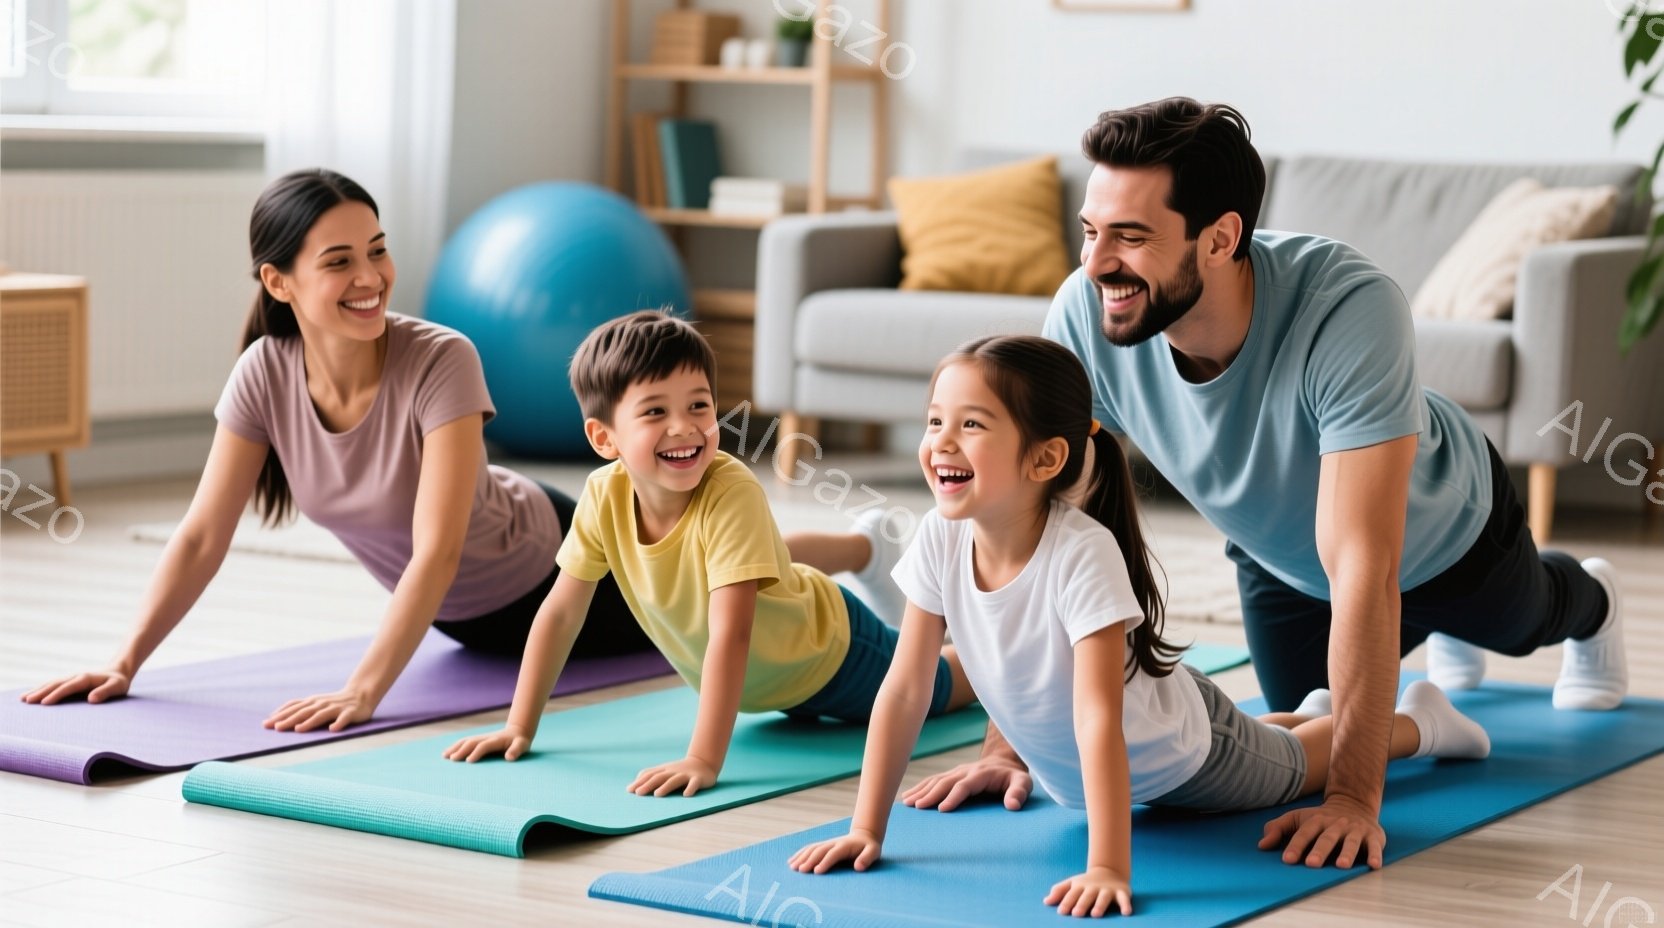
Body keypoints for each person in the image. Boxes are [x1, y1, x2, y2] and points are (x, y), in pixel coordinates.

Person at [916, 97, 1625, 872]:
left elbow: (1365, 564)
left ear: (1220, 238)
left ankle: (1594, 600)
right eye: (1091, 231)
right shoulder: (1089, 315)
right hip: (1278, 557)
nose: (1095, 263)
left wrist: (1356, 799)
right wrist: (1008, 748)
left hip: (1444, 534)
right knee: (1283, 751)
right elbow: (1033, 528)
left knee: (1528, 620)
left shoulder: (1348, 306)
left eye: (1130, 236)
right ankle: (1423, 702)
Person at [788, 335, 1491, 917]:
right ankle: (1310, 713)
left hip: (1183, 762)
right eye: (935, 420)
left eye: (971, 425)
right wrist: (865, 829)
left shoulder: (1079, 553)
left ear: (1045, 458)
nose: (941, 441)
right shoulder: (943, 537)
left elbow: (1101, 717)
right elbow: (906, 689)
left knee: (1299, 767)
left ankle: (1420, 721)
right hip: (1154, 724)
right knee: (1268, 735)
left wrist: (1105, 865)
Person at [21, 168, 659, 730]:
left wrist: (364, 689)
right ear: (278, 281)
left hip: (571, 570)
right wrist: (124, 661)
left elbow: (436, 551)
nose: (369, 277)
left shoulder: (442, 358)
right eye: (338, 261)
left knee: (710, 620)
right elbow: (200, 537)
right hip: (464, 624)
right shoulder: (264, 373)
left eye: (377, 251)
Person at [442, 311, 975, 797]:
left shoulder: (730, 488)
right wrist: (520, 723)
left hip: (827, 653)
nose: (685, 426)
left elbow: (732, 633)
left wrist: (703, 757)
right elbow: (560, 612)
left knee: (939, 686)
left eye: (699, 405)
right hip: (772, 683)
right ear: (605, 439)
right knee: (757, 563)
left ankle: (989, 640)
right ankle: (868, 550)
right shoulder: (604, 496)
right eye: (655, 411)